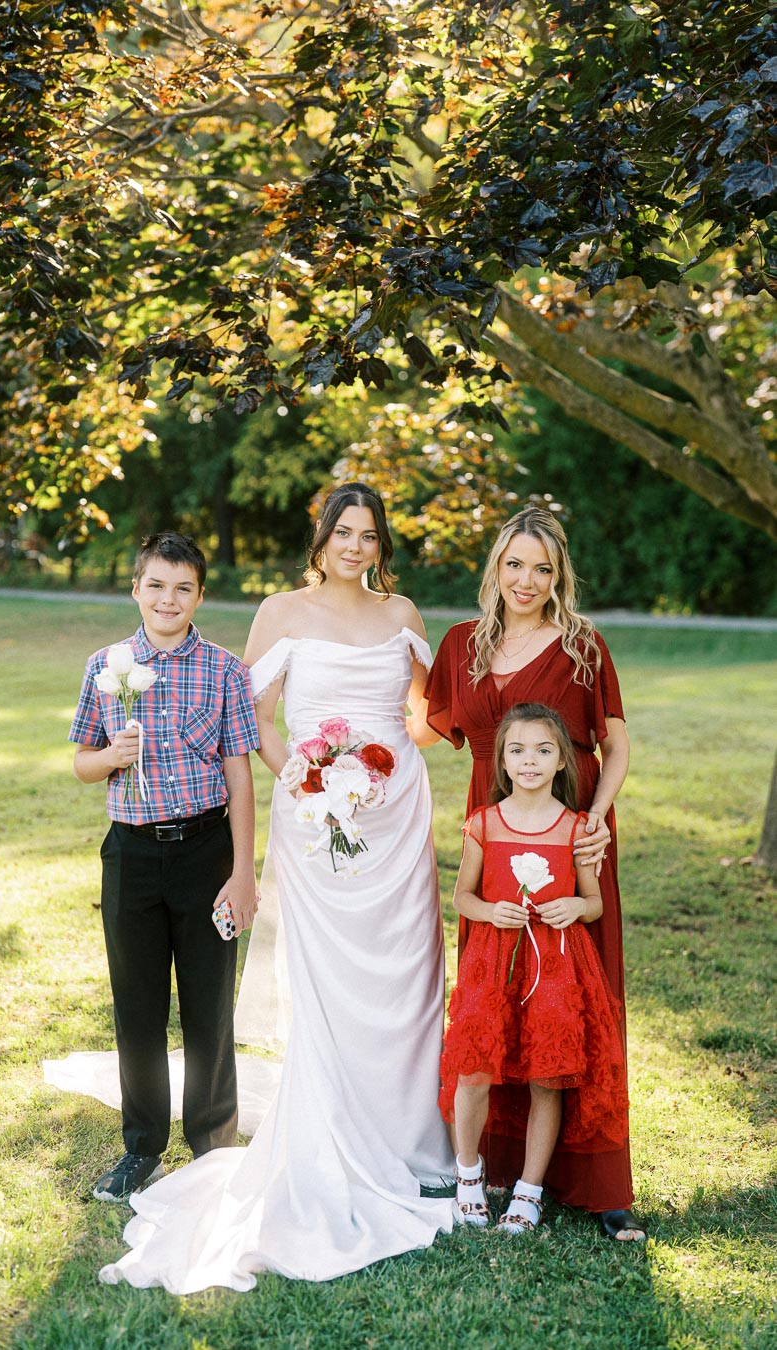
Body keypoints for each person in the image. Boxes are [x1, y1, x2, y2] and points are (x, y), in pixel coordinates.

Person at [95, 482, 456, 1294]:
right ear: (321, 536)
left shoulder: (404, 618)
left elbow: (426, 716)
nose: (355, 547)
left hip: (395, 818)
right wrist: (305, 772)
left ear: (380, 543)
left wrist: (387, 763)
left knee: (407, 972)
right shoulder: (279, 611)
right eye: (343, 532)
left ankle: (412, 1141)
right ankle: (329, 1129)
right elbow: (244, 712)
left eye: (368, 535)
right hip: (315, 814)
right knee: (332, 977)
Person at [410, 505, 644, 1240]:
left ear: (559, 576)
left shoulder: (581, 645)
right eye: (515, 563)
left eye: (542, 568)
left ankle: (598, 1182)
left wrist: (597, 822)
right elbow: (423, 723)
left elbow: (615, 740)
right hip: (493, 826)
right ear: (495, 569)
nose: (527, 579)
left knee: (579, 997)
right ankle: (491, 1166)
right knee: (494, 995)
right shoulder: (461, 645)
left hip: (572, 833)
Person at [69, 531, 259, 1203]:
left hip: (206, 852)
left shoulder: (226, 670)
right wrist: (112, 756)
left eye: (183, 587)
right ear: (136, 590)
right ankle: (142, 1147)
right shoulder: (106, 664)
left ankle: (212, 1145)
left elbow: (240, 777)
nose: (168, 598)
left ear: (200, 595)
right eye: (156, 585)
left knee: (209, 1005)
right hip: (132, 855)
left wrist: (243, 872)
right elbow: (82, 764)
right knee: (138, 1006)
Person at [440, 703, 628, 1235]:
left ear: (563, 761)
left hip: (557, 969)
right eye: (517, 750)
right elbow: (462, 897)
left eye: (544, 750)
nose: (529, 761)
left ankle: (529, 1190)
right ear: (501, 761)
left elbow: (592, 902)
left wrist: (575, 907)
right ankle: (469, 1176)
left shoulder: (576, 830)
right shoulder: (484, 824)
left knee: (548, 1076)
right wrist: (489, 911)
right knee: (475, 1070)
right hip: (494, 964)